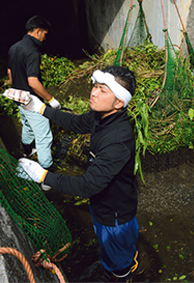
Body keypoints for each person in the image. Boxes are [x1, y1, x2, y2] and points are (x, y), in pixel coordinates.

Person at [18, 65, 143, 282]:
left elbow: (88, 186)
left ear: (119, 102)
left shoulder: (117, 140)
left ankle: (121, 275)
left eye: (103, 90)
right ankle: (113, 266)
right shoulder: (100, 116)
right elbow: (76, 123)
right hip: (101, 203)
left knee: (119, 257)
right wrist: (41, 109)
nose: (94, 92)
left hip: (115, 214)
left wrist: (43, 176)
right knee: (110, 249)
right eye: (95, 86)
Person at [7, 15, 61, 170]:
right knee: (44, 135)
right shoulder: (32, 52)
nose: (44, 38)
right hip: (31, 100)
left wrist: (17, 89)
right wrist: (50, 100)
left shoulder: (14, 47)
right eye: (44, 34)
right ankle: (46, 175)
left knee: (27, 124)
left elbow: (10, 72)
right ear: (38, 31)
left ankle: (27, 151)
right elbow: (33, 82)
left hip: (17, 96)